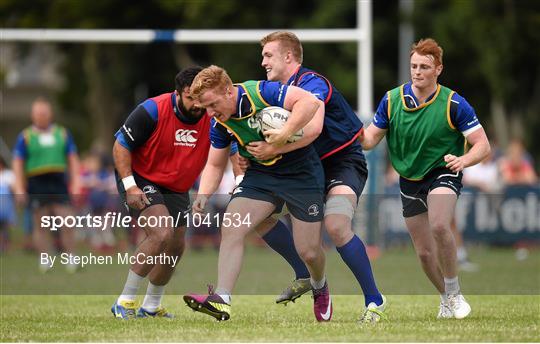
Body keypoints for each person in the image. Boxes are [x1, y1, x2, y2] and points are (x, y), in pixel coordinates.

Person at [242, 31, 386, 323]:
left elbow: (314, 126)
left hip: (342, 163)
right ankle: (312, 280)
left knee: (336, 225)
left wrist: (277, 141)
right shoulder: (271, 92)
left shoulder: (312, 84)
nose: (263, 62)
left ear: (288, 56)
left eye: (268, 55)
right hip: (302, 167)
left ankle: (375, 300)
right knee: (256, 217)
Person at [183, 65, 332, 322]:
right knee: (232, 224)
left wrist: (279, 139)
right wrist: (203, 195)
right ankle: (222, 299)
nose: (209, 113)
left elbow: (309, 103)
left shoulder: (263, 92)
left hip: (302, 173)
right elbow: (215, 163)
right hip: (262, 176)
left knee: (309, 251)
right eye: (204, 107)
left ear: (229, 91)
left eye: (211, 104)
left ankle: (319, 285)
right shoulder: (220, 122)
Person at [360, 38, 491, 319]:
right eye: (414, 66)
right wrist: (350, 132)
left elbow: (483, 145)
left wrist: (464, 160)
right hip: (409, 177)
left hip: (444, 169)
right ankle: (444, 297)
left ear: (438, 69)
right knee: (423, 254)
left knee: (441, 225)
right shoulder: (392, 100)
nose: (417, 71)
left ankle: (455, 292)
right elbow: (370, 139)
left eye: (424, 66)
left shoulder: (454, 103)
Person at [111, 66, 214, 319]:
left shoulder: (213, 115)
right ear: (178, 93)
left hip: (177, 186)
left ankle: (151, 306)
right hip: (141, 177)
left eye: (200, 96)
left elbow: (228, 152)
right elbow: (120, 146)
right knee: (161, 232)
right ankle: (124, 302)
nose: (196, 103)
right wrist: (130, 185)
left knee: (176, 246)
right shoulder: (152, 110)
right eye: (190, 97)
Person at [12, 97, 81, 272]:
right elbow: (18, 163)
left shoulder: (62, 133)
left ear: (50, 114)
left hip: (58, 181)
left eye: (44, 112)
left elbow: (73, 159)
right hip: (36, 182)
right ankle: (45, 259)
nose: (42, 116)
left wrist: (76, 182)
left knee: (67, 221)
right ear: (33, 115)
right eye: (38, 113)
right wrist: (19, 187)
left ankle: (71, 257)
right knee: (40, 224)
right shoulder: (25, 136)